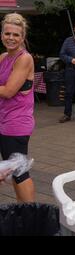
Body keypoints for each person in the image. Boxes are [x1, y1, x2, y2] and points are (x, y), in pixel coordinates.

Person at [0, 13, 35, 202]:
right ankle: (22, 210)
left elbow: (8, 91)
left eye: (15, 35)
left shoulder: (24, 59)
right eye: (7, 34)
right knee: (14, 170)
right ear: (1, 35)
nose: (11, 38)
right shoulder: (3, 57)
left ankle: (30, 214)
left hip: (17, 124)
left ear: (22, 37)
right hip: (4, 121)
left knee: (20, 172)